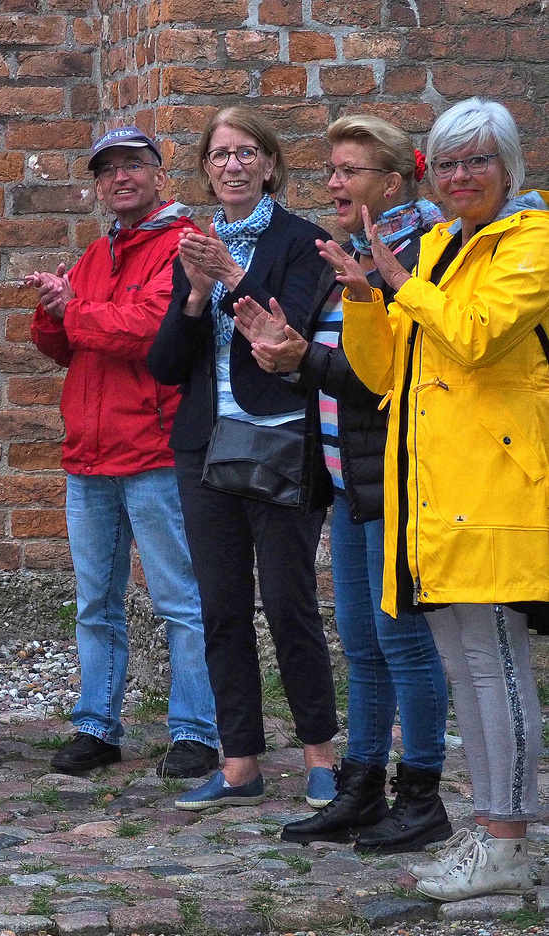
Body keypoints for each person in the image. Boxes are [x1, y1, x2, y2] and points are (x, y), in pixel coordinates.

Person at [330, 98, 549, 901]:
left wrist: (399, 279)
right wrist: (363, 296)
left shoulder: (532, 241)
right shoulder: (446, 251)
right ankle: (489, 828)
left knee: (496, 667)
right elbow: (387, 372)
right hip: (436, 494)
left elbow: (480, 333)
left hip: (496, 491)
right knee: (465, 665)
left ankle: (511, 841)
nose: (461, 177)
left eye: (477, 161)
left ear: (510, 167)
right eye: (448, 163)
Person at [234, 114, 450, 854]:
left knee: (405, 644)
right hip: (345, 480)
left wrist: (302, 360)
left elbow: (386, 379)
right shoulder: (349, 254)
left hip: (396, 481)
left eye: (348, 171)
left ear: (390, 183)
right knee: (360, 642)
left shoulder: (418, 258)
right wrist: (281, 345)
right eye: (329, 169)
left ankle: (421, 795)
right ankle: (362, 786)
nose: (330, 182)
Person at [145, 104, 339, 812]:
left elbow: (279, 338)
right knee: (222, 608)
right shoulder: (194, 249)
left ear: (269, 164)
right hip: (205, 448)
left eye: (246, 152)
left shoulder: (300, 243)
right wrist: (195, 295)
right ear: (205, 167)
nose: (232, 165)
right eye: (219, 154)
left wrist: (228, 273)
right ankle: (239, 763)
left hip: (283, 445)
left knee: (290, 606)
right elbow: (165, 366)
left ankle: (321, 756)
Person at [26, 126, 219, 780]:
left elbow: (152, 330)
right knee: (95, 603)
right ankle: (97, 727)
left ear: (159, 175)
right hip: (90, 455)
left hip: (152, 451)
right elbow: (68, 347)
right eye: (109, 170)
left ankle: (196, 731)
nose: (121, 178)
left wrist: (75, 310)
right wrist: (54, 312)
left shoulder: (182, 246)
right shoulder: (95, 254)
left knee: (178, 599)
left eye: (134, 165)